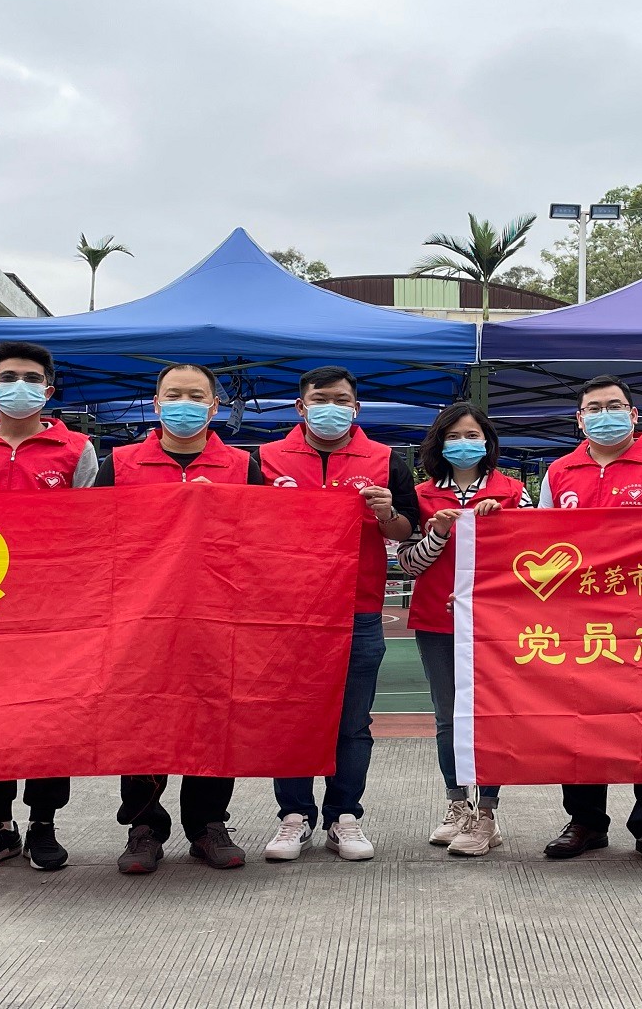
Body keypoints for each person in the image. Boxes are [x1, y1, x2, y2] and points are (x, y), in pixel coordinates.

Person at [96, 363, 265, 875]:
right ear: (156, 403)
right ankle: (143, 826)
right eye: (174, 395)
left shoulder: (241, 465)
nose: (184, 404)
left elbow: (263, 536)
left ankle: (208, 823)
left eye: (196, 395)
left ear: (214, 406)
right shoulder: (120, 463)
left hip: (218, 614)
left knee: (213, 714)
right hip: (139, 614)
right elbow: (92, 534)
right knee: (140, 715)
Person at [0, 342, 98, 873]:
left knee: (50, 716)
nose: (21, 386)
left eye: (32, 378)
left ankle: (43, 824)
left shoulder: (77, 449)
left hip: (54, 610)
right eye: (10, 377)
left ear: (49, 390)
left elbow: (91, 527)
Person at [539, 375, 642, 868]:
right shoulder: (559, 472)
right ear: (579, 419)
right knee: (580, 719)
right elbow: (540, 541)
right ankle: (585, 820)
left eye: (614, 406)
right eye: (594, 408)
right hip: (583, 621)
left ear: (633, 414)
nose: (603, 415)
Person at [258, 366, 418, 863]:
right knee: (291, 715)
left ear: (356, 407)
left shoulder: (386, 460)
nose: (332, 407)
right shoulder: (264, 459)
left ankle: (344, 816)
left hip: (359, 609)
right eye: (321, 399)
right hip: (287, 613)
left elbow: (405, 530)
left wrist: (386, 512)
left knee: (353, 722)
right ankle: (294, 815)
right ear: (301, 406)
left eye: (342, 400)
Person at [397, 403, 531, 857]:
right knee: (447, 718)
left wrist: (502, 526)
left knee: (491, 714)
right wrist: (436, 533)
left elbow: (533, 559)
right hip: (437, 620)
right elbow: (409, 564)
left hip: (496, 624)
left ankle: (487, 812)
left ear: (488, 442)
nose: (463, 443)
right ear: (439, 444)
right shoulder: (420, 496)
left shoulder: (513, 492)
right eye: (452, 436)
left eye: (472, 435)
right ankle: (457, 804)